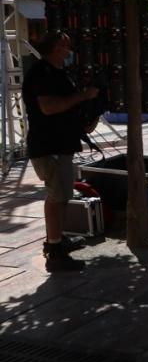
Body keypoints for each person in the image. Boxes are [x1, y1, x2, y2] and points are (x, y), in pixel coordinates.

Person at [23, 31, 100, 272]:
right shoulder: (41, 74)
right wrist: (82, 97)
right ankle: (54, 250)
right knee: (57, 198)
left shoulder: (56, 73)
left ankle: (57, 240)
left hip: (60, 144)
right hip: (49, 147)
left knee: (62, 196)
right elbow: (48, 107)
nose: (69, 50)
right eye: (65, 46)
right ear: (55, 48)